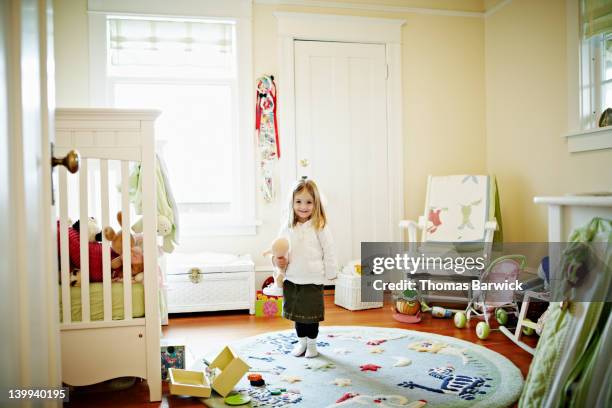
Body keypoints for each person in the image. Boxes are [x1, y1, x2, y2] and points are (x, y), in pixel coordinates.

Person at [272, 178, 337, 358]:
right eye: (299, 201)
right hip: (293, 278)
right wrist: (279, 265)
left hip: (313, 279)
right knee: (298, 317)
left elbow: (329, 249)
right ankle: (301, 343)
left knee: (312, 317)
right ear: (292, 203)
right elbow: (278, 248)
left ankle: (312, 345)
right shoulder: (287, 227)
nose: (303, 206)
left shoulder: (319, 226)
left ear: (315, 204)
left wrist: (331, 272)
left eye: (309, 202)